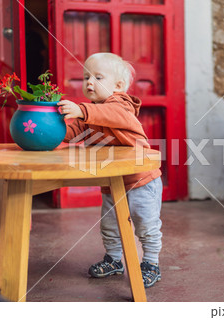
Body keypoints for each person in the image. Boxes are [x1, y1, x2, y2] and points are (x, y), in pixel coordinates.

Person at [58, 52, 163, 287]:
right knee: (110, 225)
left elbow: (111, 115)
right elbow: (70, 133)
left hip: (141, 181)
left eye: (97, 77)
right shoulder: (90, 111)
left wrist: (82, 110)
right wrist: (50, 124)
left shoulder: (120, 106)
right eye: (86, 77)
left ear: (118, 86)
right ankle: (115, 260)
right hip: (112, 181)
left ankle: (151, 263)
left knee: (146, 225)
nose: (89, 82)